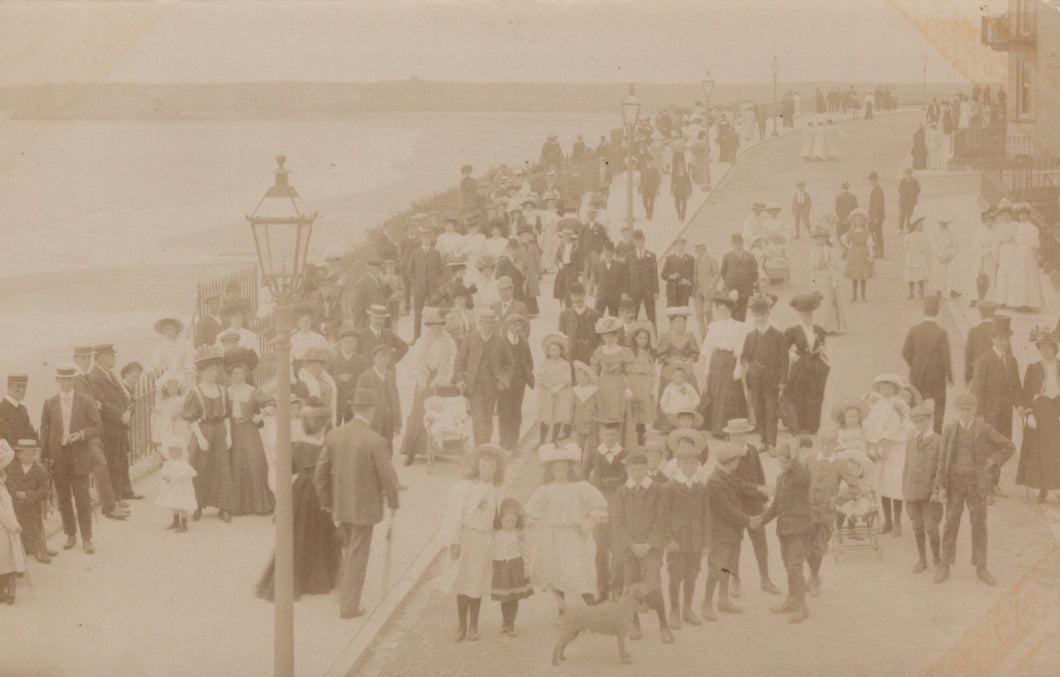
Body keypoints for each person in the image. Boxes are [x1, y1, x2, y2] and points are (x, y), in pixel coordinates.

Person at [314, 388, 401, 619]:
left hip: (340, 506)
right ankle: (349, 606)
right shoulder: (375, 440)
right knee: (357, 555)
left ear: (354, 409)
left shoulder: (334, 435)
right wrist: (394, 502)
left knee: (348, 551)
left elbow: (320, 474)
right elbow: (388, 477)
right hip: (364, 509)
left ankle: (344, 596)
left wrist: (326, 502)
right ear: (371, 411)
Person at [258, 405, 340, 601]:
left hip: (300, 494)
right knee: (318, 536)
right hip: (318, 495)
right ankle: (317, 578)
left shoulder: (297, 447)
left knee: (298, 536)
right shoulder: (325, 448)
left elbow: (286, 472)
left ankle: (297, 578)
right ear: (323, 426)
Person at [934, 392, 1014, 586]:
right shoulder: (950, 429)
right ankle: (945, 565)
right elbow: (942, 459)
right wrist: (940, 485)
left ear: (975, 409)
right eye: (962, 409)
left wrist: (991, 461)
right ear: (957, 410)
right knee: (950, 523)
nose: (965, 412)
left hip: (976, 484)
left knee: (979, 524)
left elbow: (1008, 446)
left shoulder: (984, 428)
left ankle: (981, 567)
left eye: (968, 409)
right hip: (954, 484)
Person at [525, 442, 608, 612]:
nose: (561, 473)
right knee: (556, 572)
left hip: (573, 534)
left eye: (564, 469)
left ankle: (592, 607)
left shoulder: (579, 487)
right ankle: (562, 611)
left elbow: (598, 503)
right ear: (551, 471)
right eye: (557, 469)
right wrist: (529, 524)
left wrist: (588, 521)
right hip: (553, 535)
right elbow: (532, 510)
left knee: (577, 569)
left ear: (569, 470)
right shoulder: (545, 490)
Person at [611, 451, 674, 643]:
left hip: (651, 548)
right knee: (631, 586)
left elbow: (662, 519)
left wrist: (649, 544)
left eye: (640, 469)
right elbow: (618, 523)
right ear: (627, 470)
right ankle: (634, 622)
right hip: (630, 549)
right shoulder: (622, 492)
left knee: (653, 586)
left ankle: (663, 624)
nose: (637, 473)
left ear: (647, 468)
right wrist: (631, 545)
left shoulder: (657, 489)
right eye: (633, 470)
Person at [40, 363, 102, 554]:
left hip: (79, 455)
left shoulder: (86, 400)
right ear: (57, 381)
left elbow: (97, 427)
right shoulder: (50, 403)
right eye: (62, 380)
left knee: (82, 498)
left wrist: (82, 434)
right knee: (64, 498)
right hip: (59, 457)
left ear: (74, 380)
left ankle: (87, 538)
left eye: (69, 379)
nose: (66, 383)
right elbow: (45, 431)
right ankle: (70, 534)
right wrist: (46, 456)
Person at [702, 443, 761, 621]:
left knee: (727, 565)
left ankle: (723, 600)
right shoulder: (714, 481)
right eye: (736, 460)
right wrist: (747, 520)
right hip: (720, 532)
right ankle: (707, 604)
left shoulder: (728, 475)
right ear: (728, 462)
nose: (738, 463)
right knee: (715, 568)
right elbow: (725, 509)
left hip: (732, 530)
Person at [757, 443, 812, 623]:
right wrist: (760, 520)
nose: (783, 465)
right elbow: (775, 506)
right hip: (784, 530)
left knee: (795, 566)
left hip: (799, 530)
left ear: (793, 461)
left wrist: (795, 458)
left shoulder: (802, 475)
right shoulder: (781, 478)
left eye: (786, 462)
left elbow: (802, 476)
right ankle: (792, 600)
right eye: (781, 462)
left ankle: (802, 606)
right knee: (788, 564)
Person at [970, 315, 1022, 499]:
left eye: (1006, 338)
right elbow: (976, 390)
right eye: (1000, 338)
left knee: (1003, 446)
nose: (1003, 342)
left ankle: (995, 483)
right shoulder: (984, 360)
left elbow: (1016, 386)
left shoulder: (1012, 360)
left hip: (1005, 414)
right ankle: (985, 486)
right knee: (988, 447)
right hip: (988, 414)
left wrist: (1019, 405)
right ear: (993, 339)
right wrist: (979, 415)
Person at [663, 429, 709, 628]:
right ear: (678, 465)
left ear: (697, 465)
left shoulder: (702, 487)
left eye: (692, 464)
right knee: (675, 576)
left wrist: (706, 542)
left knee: (692, 574)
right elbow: (663, 517)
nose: (689, 467)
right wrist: (669, 539)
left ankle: (687, 609)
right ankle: (674, 610)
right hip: (677, 540)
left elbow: (707, 516)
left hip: (695, 539)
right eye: (685, 464)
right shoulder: (670, 487)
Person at [399, 308, 456, 465]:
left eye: (438, 325)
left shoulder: (449, 342)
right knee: (418, 413)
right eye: (432, 325)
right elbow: (417, 361)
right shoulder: (421, 341)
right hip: (425, 378)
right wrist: (420, 377)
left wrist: (444, 378)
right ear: (429, 326)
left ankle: (435, 450)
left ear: (442, 325)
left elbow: (452, 363)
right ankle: (411, 451)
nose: (435, 328)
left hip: (441, 379)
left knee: (438, 413)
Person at [184, 346, 233, 522]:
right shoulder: (195, 392)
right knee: (200, 467)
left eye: (215, 369)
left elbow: (226, 415)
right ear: (201, 372)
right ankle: (197, 505)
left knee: (222, 468)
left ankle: (224, 507)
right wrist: (200, 438)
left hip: (220, 430)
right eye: (209, 370)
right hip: (203, 431)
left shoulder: (223, 390)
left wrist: (229, 435)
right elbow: (191, 418)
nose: (213, 373)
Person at [582, 419, 627, 603]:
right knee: (601, 548)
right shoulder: (593, 454)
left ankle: (617, 588)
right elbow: (583, 479)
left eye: (612, 434)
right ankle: (602, 588)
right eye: (606, 434)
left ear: (618, 435)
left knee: (618, 549)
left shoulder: (625, 454)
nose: (609, 438)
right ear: (600, 435)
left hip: (620, 506)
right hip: (599, 505)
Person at [88, 344, 139, 502]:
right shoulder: (95, 377)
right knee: (113, 462)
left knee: (122, 460)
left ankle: (125, 491)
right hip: (109, 427)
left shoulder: (109, 373)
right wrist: (120, 415)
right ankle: (116, 498)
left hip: (119, 425)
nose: (114, 358)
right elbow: (101, 403)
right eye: (111, 356)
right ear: (101, 357)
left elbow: (123, 394)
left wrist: (128, 410)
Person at [454, 308, 512, 446]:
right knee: (478, 417)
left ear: (494, 324)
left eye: (490, 323)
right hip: (474, 384)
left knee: (488, 417)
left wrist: (503, 380)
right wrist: (460, 379)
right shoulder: (470, 339)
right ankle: (479, 446)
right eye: (484, 322)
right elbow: (459, 361)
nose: (487, 326)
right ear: (480, 323)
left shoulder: (500, 341)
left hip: (492, 385)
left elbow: (510, 362)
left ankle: (486, 445)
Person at [1016, 327, 1060, 502]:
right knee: (1042, 451)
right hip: (1040, 412)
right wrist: (1030, 414)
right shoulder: (1033, 368)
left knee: (1057, 450)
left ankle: (1058, 487)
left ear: (1055, 348)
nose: (1046, 350)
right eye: (1042, 347)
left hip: (1058, 411)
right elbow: (1026, 394)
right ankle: (1043, 488)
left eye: (1049, 347)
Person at [226, 360, 275, 516]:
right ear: (230, 376)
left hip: (249, 430)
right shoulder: (226, 392)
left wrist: (260, 415)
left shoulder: (252, 391)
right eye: (236, 373)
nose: (239, 376)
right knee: (236, 463)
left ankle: (259, 504)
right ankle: (237, 506)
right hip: (232, 430)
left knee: (253, 462)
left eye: (242, 373)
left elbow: (272, 402)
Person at [742, 293, 788, 454]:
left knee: (771, 410)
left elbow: (785, 360)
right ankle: (763, 440)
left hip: (772, 378)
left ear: (768, 314)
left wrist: (782, 380)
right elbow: (744, 356)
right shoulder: (750, 336)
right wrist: (749, 368)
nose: (760, 318)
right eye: (756, 315)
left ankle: (772, 444)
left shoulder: (778, 335)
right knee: (758, 409)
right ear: (753, 316)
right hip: (755, 378)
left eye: (762, 314)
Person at [865, 374, 911, 535]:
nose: (885, 391)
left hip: (896, 447)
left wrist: (887, 437)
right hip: (881, 449)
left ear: (894, 389)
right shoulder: (877, 405)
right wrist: (873, 444)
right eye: (883, 388)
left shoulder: (898, 403)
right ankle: (888, 521)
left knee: (895, 485)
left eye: (889, 388)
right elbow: (871, 425)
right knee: (883, 485)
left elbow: (904, 423)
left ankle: (897, 521)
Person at [903, 404, 943, 573]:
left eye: (923, 421)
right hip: (912, 493)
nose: (920, 425)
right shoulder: (911, 441)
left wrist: (937, 490)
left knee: (931, 528)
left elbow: (941, 468)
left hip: (930, 494)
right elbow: (907, 467)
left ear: (930, 420)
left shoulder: (938, 440)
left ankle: (937, 560)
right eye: (916, 422)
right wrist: (905, 490)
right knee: (917, 527)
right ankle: (922, 559)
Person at [701, 294, 748, 436]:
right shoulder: (713, 326)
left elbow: (740, 349)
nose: (723, 313)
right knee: (715, 393)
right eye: (720, 310)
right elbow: (709, 349)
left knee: (728, 394)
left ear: (731, 310)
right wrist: (707, 369)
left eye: (725, 310)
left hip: (729, 361)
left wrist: (738, 369)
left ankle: (729, 427)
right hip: (716, 361)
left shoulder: (739, 326)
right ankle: (716, 427)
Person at [785, 293, 830, 435]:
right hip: (800, 366)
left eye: (810, 314)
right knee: (799, 394)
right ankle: (800, 424)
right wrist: (793, 355)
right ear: (800, 315)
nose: (808, 317)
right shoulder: (793, 330)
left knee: (815, 394)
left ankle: (813, 425)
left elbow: (822, 345)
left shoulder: (819, 330)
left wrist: (822, 349)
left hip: (815, 366)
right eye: (805, 314)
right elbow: (784, 348)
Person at [491, 498, 533, 638]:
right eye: (507, 521)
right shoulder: (496, 535)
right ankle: (505, 621)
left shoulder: (518, 534)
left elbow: (526, 552)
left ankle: (511, 624)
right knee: (505, 597)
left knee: (514, 597)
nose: (509, 524)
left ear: (516, 522)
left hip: (515, 568)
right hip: (501, 568)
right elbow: (492, 552)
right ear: (501, 520)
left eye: (513, 521)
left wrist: (526, 567)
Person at [8, 439, 51, 563]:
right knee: (14, 525)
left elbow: (44, 491)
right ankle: (19, 550)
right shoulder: (12, 469)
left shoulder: (40, 471)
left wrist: (27, 495)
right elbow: (8, 485)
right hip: (15, 503)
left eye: (31, 454)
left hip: (32, 504)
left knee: (34, 524)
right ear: (19, 455)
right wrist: (15, 493)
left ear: (35, 454)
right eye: (25, 454)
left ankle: (39, 549)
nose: (28, 457)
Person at [996, 203, 1045, 310]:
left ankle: (1029, 303)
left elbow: (1036, 244)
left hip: (1027, 253)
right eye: (1020, 215)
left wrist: (1026, 243)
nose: (1022, 217)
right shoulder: (1019, 226)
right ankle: (1020, 302)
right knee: (1019, 276)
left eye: (1024, 215)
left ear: (1028, 215)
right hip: (1019, 253)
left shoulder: (1032, 227)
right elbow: (1013, 237)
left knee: (1027, 275)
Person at [354, 345, 402, 453]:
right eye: (380, 357)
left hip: (388, 419)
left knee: (388, 448)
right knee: (372, 448)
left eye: (386, 357)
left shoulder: (390, 376)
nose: (383, 360)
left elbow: (395, 399)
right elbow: (359, 401)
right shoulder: (364, 376)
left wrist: (397, 423)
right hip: (372, 419)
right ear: (374, 358)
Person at [497, 314, 534, 454]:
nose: (518, 328)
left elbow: (529, 360)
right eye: (515, 325)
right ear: (509, 325)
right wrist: (502, 379)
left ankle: (514, 443)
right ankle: (504, 442)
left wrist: (526, 374)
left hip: (519, 382)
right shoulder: (501, 341)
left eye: (520, 325)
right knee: (504, 412)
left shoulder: (523, 340)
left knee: (516, 412)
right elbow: (496, 363)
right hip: (505, 383)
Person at [407, 229, 446, 342]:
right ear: (420, 239)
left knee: (434, 313)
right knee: (418, 313)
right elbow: (409, 271)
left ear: (430, 239)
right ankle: (416, 337)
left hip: (432, 288)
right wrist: (415, 283)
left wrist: (437, 282)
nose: (425, 240)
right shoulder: (415, 253)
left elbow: (441, 270)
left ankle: (435, 337)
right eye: (423, 238)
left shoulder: (435, 253)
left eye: (427, 238)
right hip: (419, 288)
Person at [0, 441, 26, 603]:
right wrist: (14, 526)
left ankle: (8, 590)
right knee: (6, 561)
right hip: (4, 530)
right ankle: (6, 591)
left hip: (7, 529)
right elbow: (2, 513)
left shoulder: (2, 486)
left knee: (7, 562)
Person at [536, 333, 572, 446]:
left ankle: (554, 440)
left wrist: (558, 388)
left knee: (558, 415)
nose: (554, 352)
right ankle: (541, 441)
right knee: (545, 415)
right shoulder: (544, 363)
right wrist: (550, 388)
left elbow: (567, 379)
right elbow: (540, 379)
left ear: (560, 352)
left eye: (556, 350)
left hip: (560, 393)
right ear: (548, 352)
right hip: (547, 392)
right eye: (552, 350)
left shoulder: (565, 364)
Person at [156, 436, 198, 533]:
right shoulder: (168, 463)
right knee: (175, 504)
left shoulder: (183, 463)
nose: (175, 453)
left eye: (178, 451)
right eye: (173, 451)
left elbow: (185, 474)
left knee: (182, 505)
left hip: (182, 488)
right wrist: (165, 476)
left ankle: (184, 524)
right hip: (173, 488)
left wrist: (173, 478)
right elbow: (165, 471)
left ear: (182, 452)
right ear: (169, 452)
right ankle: (176, 522)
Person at [296, 348, 340, 428]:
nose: (317, 370)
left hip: (327, 417)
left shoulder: (326, 379)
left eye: (320, 367)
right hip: (314, 419)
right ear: (306, 367)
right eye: (314, 367)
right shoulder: (302, 383)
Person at [720, 234, 758, 321]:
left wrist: (747, 282)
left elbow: (754, 273)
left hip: (745, 289)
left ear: (742, 243)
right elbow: (723, 272)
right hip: (730, 289)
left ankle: (741, 328)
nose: (737, 245)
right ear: (732, 244)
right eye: (735, 243)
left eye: (739, 242)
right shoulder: (727, 256)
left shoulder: (750, 256)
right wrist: (730, 282)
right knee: (732, 311)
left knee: (742, 311)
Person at [148, 315, 194, 385]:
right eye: (165, 328)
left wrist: (189, 373)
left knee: (184, 384)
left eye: (169, 327)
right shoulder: (162, 345)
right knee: (159, 384)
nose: (167, 330)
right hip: (169, 373)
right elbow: (156, 360)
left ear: (175, 328)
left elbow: (189, 361)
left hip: (183, 374)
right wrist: (152, 369)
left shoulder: (186, 343)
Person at [841, 209, 875, 302]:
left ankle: (863, 295)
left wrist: (871, 256)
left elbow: (870, 245)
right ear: (854, 222)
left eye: (860, 221)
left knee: (863, 275)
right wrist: (848, 246)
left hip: (864, 254)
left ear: (863, 222)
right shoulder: (851, 231)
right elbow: (842, 238)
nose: (858, 223)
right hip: (854, 255)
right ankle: (854, 295)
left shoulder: (867, 232)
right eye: (857, 221)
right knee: (854, 276)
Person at [627, 230, 659, 325]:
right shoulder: (629, 255)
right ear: (633, 242)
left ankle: (653, 333)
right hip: (634, 290)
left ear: (644, 240)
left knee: (651, 316)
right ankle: (631, 332)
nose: (639, 243)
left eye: (641, 240)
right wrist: (626, 291)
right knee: (632, 315)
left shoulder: (651, 255)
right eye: (636, 241)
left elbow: (654, 274)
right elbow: (626, 275)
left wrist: (656, 291)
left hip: (648, 290)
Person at [571, 362, 601, 461]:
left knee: (593, 445)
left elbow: (598, 406)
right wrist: (571, 419)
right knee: (580, 445)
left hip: (592, 421)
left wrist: (597, 418)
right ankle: (580, 462)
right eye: (577, 377)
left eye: (581, 377)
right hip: (579, 422)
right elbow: (572, 407)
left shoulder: (594, 390)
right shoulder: (575, 391)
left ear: (588, 378)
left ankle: (593, 463)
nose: (578, 379)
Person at [964, 301, 997, 386]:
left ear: (981, 314)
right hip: (995, 374)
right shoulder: (1000, 331)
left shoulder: (973, 331)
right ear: (993, 313)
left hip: (978, 373)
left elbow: (968, 356)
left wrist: (967, 378)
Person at [693, 242, 721, 337]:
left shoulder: (712, 260)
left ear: (704, 249)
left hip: (708, 291)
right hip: (698, 291)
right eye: (697, 250)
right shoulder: (696, 260)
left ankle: (711, 333)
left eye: (701, 249)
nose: (699, 251)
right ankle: (703, 335)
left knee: (707, 312)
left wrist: (711, 285)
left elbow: (717, 274)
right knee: (699, 314)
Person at [971, 208, 999, 305]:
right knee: (977, 275)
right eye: (986, 221)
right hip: (980, 255)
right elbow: (975, 242)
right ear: (984, 222)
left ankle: (987, 298)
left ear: (993, 222)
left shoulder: (994, 233)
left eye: (990, 221)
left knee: (989, 275)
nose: (988, 223)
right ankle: (975, 298)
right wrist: (981, 250)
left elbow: (995, 245)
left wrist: (987, 251)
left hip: (990, 256)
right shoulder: (980, 231)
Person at [0, 374, 35, 446]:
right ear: (9, 386)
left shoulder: (23, 409)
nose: (22, 390)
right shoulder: (1, 409)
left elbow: (30, 435)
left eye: (24, 387)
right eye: (18, 386)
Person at [661, 238, 695, 308]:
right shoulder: (669, 258)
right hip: (672, 291)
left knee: (683, 312)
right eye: (678, 245)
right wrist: (671, 276)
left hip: (684, 291)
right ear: (675, 246)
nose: (680, 247)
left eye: (682, 245)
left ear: (685, 246)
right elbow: (663, 274)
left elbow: (693, 275)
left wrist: (688, 281)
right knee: (671, 312)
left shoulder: (690, 258)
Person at [931, 218, 960, 298]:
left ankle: (952, 291)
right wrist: (940, 255)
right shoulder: (935, 233)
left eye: (946, 223)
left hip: (949, 253)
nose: (944, 225)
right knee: (939, 273)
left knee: (951, 273)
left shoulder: (951, 233)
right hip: (939, 254)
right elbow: (933, 245)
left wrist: (951, 255)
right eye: (942, 223)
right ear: (939, 224)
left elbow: (956, 245)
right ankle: (939, 291)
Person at [898, 168, 920, 233]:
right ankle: (900, 228)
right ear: (905, 174)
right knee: (902, 214)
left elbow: (918, 190)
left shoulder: (915, 181)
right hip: (903, 200)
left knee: (910, 214)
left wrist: (913, 194)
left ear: (911, 174)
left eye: (909, 173)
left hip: (911, 200)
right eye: (907, 173)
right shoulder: (902, 181)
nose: (908, 174)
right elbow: (899, 190)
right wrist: (904, 193)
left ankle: (909, 227)